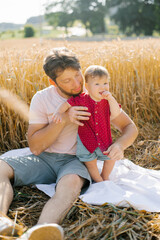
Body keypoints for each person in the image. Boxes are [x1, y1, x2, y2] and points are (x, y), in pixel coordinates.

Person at [0, 47, 138, 240]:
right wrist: (64, 119)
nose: (76, 84)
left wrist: (120, 145)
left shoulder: (95, 95)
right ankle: (2, 221)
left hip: (75, 161)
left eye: (77, 75)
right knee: (0, 167)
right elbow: (35, 147)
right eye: (66, 80)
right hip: (45, 158)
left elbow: (130, 128)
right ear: (52, 81)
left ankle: (41, 231)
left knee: (71, 184)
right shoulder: (42, 98)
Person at [52, 65, 121, 182]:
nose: (102, 87)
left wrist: (111, 99)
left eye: (105, 83)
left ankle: (105, 176)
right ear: (87, 86)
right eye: (97, 84)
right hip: (86, 138)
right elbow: (67, 104)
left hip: (104, 138)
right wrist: (58, 112)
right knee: (90, 162)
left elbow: (116, 113)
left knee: (110, 158)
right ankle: (98, 179)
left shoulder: (107, 101)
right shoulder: (81, 99)